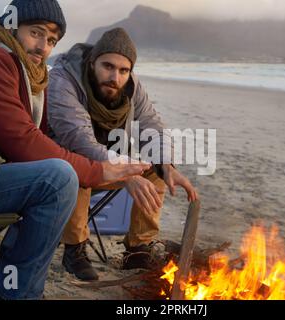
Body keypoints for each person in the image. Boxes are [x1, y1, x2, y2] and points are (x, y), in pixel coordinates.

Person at [0, 0, 149, 300]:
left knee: (56, 174)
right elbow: (23, 141)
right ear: (11, 26)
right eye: (36, 33)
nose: (43, 47)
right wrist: (98, 169)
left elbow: (36, 142)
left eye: (52, 40)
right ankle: (16, 294)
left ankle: (18, 289)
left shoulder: (25, 72)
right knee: (56, 179)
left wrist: (159, 163)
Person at [47, 27, 199, 281]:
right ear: (93, 62)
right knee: (79, 167)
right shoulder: (64, 80)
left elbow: (152, 124)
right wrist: (124, 173)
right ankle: (74, 250)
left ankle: (138, 249)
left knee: (155, 168)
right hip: (63, 164)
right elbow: (79, 141)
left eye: (123, 70)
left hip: (109, 160)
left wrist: (167, 166)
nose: (115, 77)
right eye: (108, 66)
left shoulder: (131, 87)